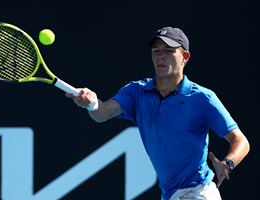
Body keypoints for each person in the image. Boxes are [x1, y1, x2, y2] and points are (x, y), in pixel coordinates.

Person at [65, 26, 250, 200]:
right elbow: (102, 113)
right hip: (171, 193)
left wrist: (228, 163)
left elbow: (240, 141)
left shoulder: (203, 98)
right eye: (156, 51)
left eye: (169, 51)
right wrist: (91, 103)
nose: (161, 56)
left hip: (198, 191)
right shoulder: (136, 92)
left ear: (185, 57)